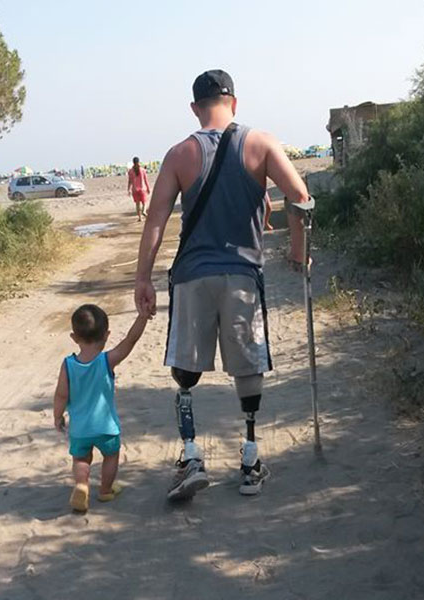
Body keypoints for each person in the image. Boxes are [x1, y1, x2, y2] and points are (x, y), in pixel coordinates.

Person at [135, 69, 310, 501]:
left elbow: (156, 219)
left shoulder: (179, 154)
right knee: (247, 365)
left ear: (195, 108)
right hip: (243, 275)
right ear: (234, 103)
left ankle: (191, 455)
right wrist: (298, 253)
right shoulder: (262, 144)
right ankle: (250, 460)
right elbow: (301, 199)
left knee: (187, 371)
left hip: (193, 275)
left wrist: (143, 277)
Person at [53, 304, 148, 512]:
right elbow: (130, 341)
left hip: (80, 429)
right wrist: (142, 317)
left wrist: (58, 416)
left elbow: (61, 394)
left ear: (73, 337)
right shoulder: (107, 361)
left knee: (81, 459)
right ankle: (105, 490)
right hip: (106, 427)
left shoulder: (68, 365)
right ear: (106, 335)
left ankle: (81, 485)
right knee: (111, 456)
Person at [128, 157, 151, 221]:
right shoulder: (143, 170)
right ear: (139, 162)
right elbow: (146, 180)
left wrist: (129, 189)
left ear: (133, 162)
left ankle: (140, 218)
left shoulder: (130, 171)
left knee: (137, 204)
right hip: (142, 189)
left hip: (135, 190)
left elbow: (130, 181)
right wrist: (148, 188)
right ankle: (144, 211)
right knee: (144, 202)